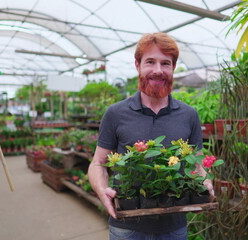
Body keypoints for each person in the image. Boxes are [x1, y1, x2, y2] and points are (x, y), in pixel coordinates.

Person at [88, 32, 214, 240]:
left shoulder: (189, 115)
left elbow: (197, 165)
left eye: (165, 63)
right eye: (150, 62)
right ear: (137, 65)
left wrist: (205, 182)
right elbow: (98, 163)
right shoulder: (115, 113)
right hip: (126, 225)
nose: (158, 70)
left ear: (173, 68)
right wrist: (103, 192)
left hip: (174, 225)